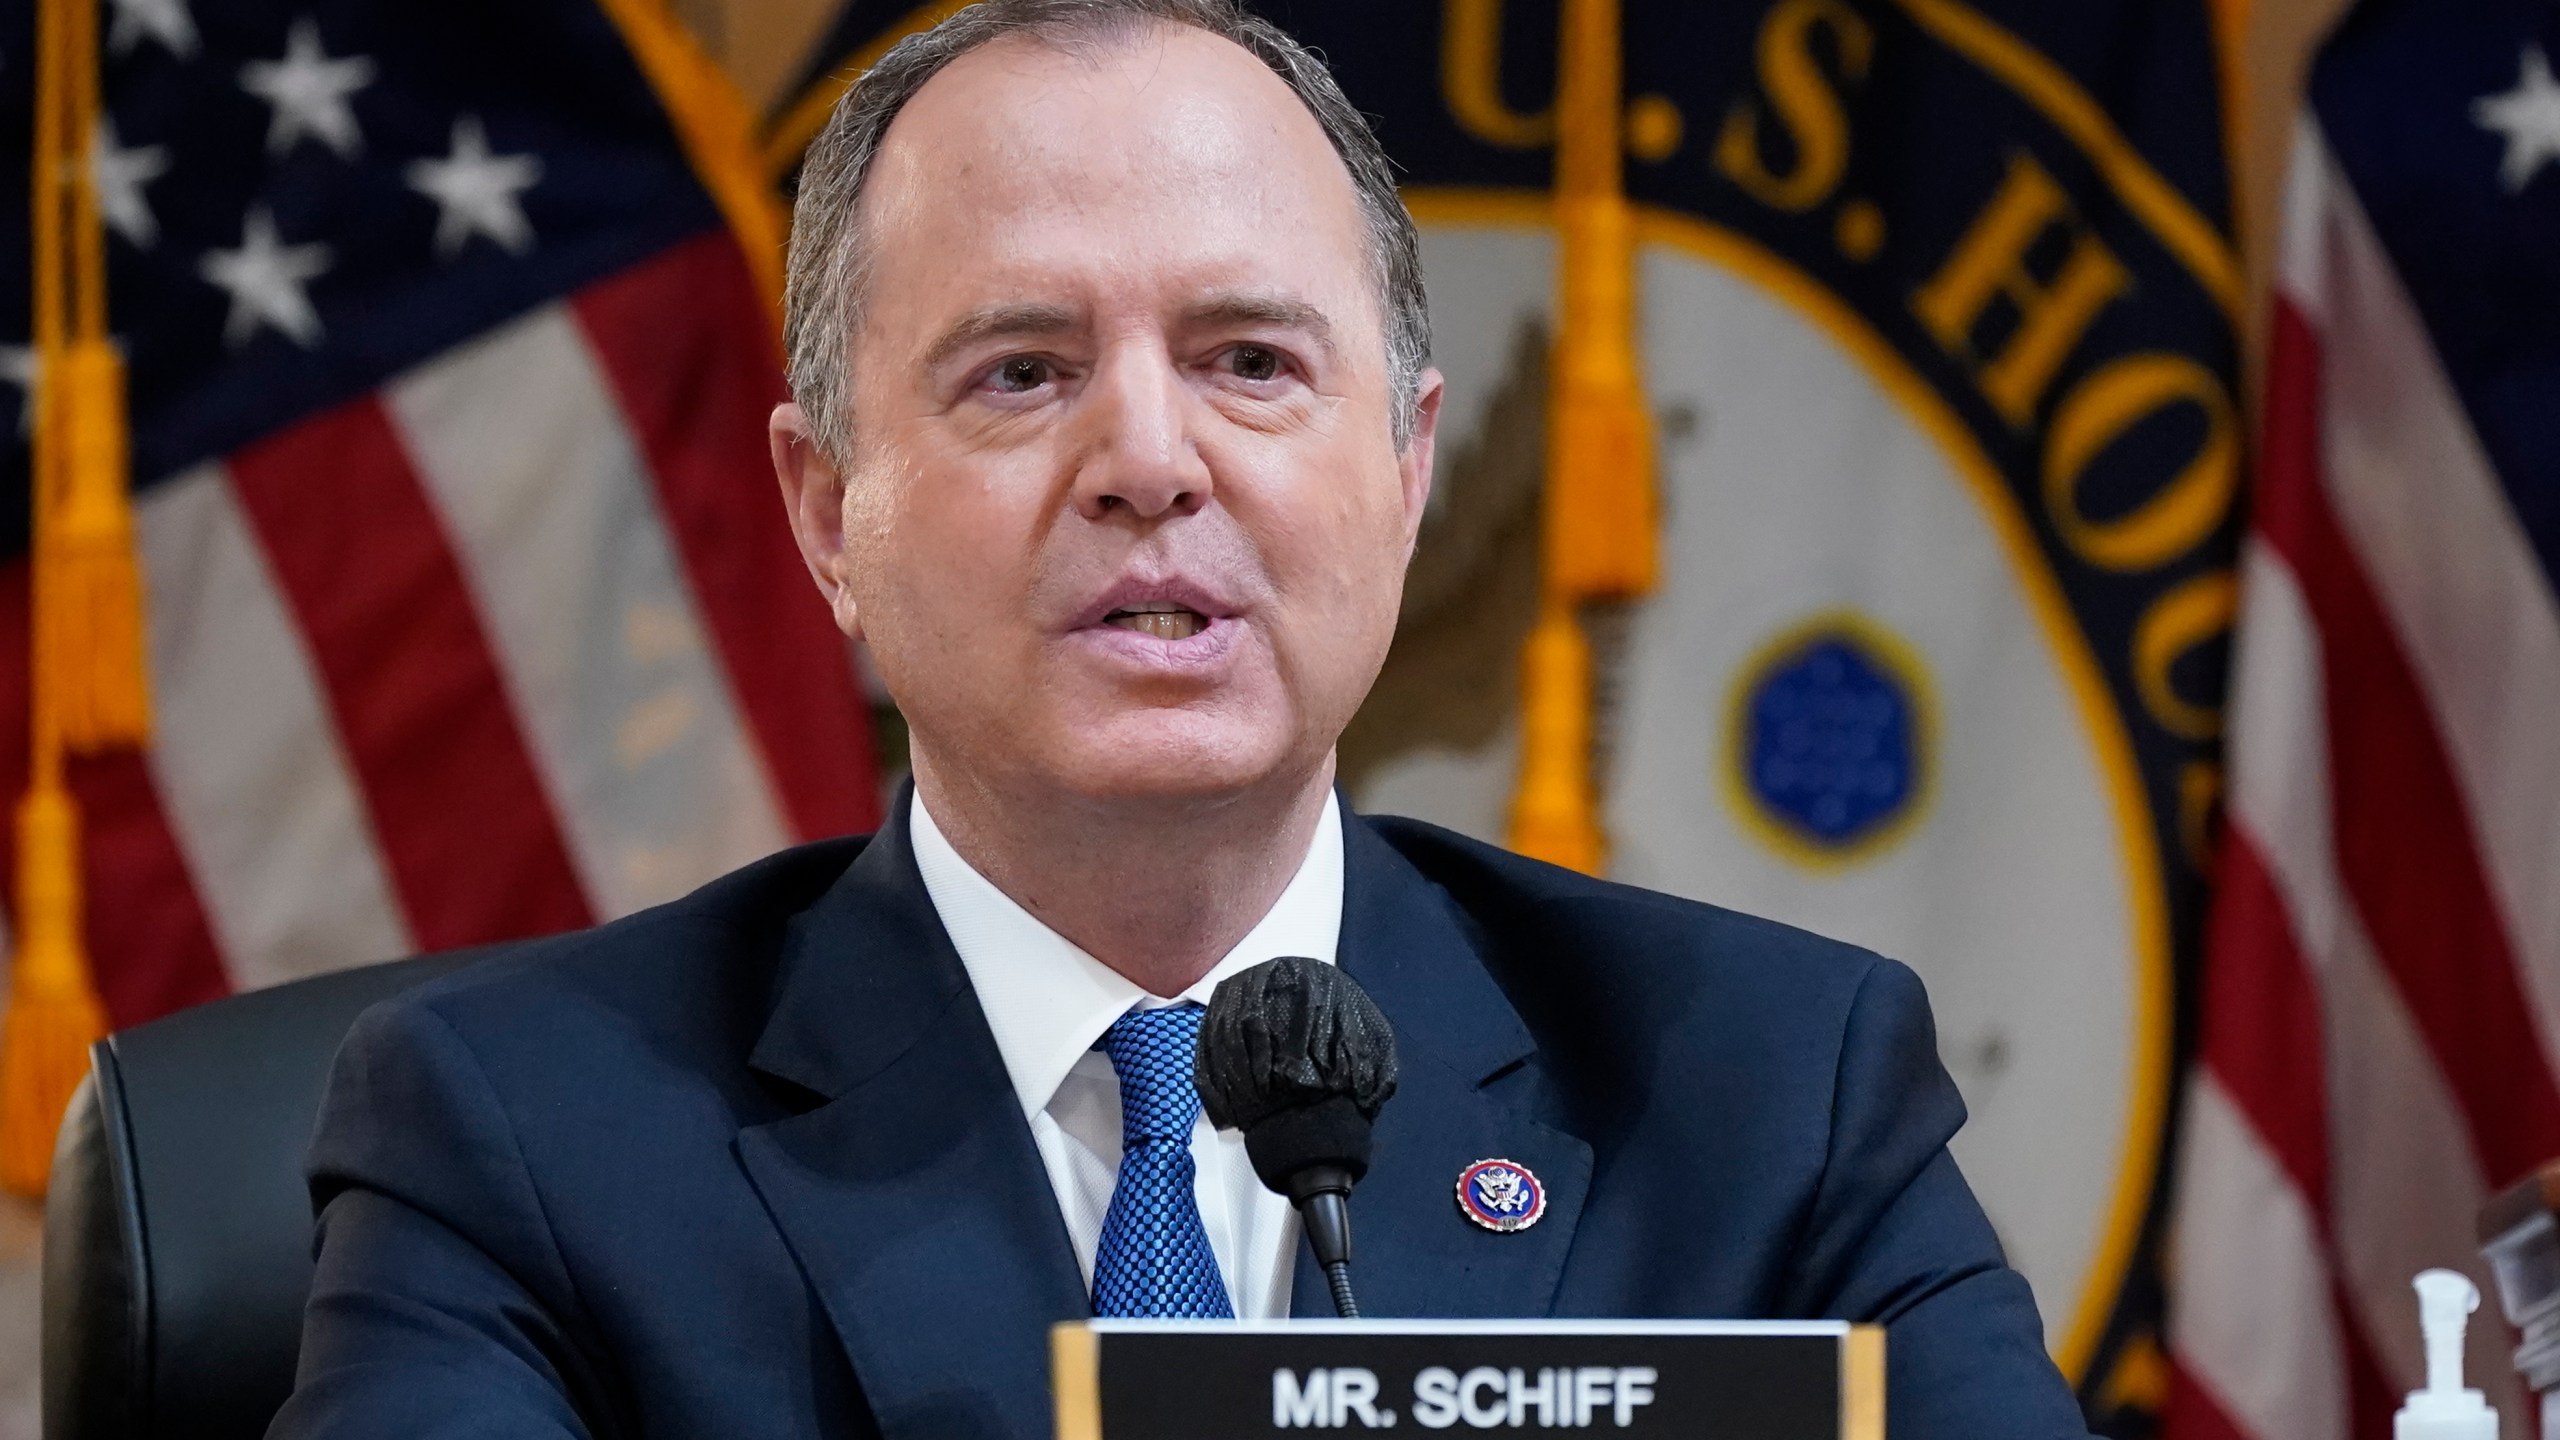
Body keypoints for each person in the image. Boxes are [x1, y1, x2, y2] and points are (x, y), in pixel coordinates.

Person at [270, 2, 2093, 1436]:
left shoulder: (1769, 1095)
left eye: (1248, 361)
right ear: (832, 516)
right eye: (1023, 372)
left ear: (1406, 470)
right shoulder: (519, 1138)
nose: (1150, 460)